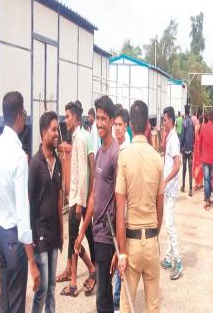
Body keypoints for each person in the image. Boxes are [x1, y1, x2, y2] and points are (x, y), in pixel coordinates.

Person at [0, 91, 40, 313]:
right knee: (17, 303)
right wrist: (32, 261)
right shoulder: (18, 156)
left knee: (5, 298)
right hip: (14, 238)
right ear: (19, 115)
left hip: (1, 235)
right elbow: (22, 211)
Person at [116, 100, 164, 312]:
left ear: (129, 126)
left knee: (126, 305)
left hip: (131, 243)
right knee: (153, 306)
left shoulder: (124, 157)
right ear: (147, 126)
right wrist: (154, 234)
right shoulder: (157, 159)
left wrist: (122, 253)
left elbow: (119, 211)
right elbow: (160, 207)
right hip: (152, 241)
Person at [75, 95, 119, 313]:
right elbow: (93, 196)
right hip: (97, 231)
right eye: (97, 118)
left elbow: (122, 201)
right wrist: (83, 231)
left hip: (108, 236)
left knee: (102, 295)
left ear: (111, 121)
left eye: (103, 118)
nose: (99, 123)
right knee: (104, 293)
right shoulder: (101, 152)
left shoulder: (115, 154)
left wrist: (119, 246)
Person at [56, 101, 96, 293]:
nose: (66, 120)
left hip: (77, 200)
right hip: (79, 197)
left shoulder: (80, 138)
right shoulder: (81, 136)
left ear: (76, 118)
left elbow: (83, 172)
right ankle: (91, 269)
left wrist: (80, 203)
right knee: (80, 237)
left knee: (74, 239)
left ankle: (74, 282)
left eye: (68, 116)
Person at [28, 111, 63, 313]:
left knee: (51, 287)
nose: (57, 133)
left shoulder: (57, 162)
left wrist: (61, 230)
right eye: (53, 129)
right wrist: (30, 237)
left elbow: (59, 197)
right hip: (39, 235)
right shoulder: (35, 165)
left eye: (57, 129)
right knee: (42, 287)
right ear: (43, 133)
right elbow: (28, 201)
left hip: (54, 235)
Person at [160, 106, 183, 280]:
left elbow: (177, 164)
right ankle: (168, 258)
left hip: (170, 187)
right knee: (168, 222)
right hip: (168, 187)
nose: (163, 122)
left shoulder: (174, 139)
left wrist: (166, 180)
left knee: (169, 225)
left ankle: (178, 260)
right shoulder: (169, 137)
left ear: (171, 120)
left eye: (165, 120)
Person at [111, 107, 130, 311]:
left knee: (121, 254)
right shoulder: (110, 147)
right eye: (114, 125)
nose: (116, 128)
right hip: (112, 212)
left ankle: (117, 300)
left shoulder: (128, 150)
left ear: (126, 126)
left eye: (120, 125)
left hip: (124, 213)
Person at [199, 110, 213, 210]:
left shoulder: (203, 128)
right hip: (212, 159)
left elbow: (200, 142)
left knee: (206, 179)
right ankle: (208, 196)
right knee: (209, 178)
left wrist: (201, 154)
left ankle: (207, 197)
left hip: (205, 158)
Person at [180, 105, 194, 197]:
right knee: (190, 169)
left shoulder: (184, 122)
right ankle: (190, 189)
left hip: (185, 148)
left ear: (185, 112)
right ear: (189, 111)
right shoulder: (192, 122)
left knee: (184, 168)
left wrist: (181, 147)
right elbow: (193, 135)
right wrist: (193, 146)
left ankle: (184, 186)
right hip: (191, 148)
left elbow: (182, 136)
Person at [192, 116, 204, 190]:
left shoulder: (196, 127)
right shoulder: (203, 128)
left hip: (196, 148)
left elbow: (194, 138)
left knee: (196, 165)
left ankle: (197, 183)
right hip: (201, 150)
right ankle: (200, 183)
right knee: (201, 166)